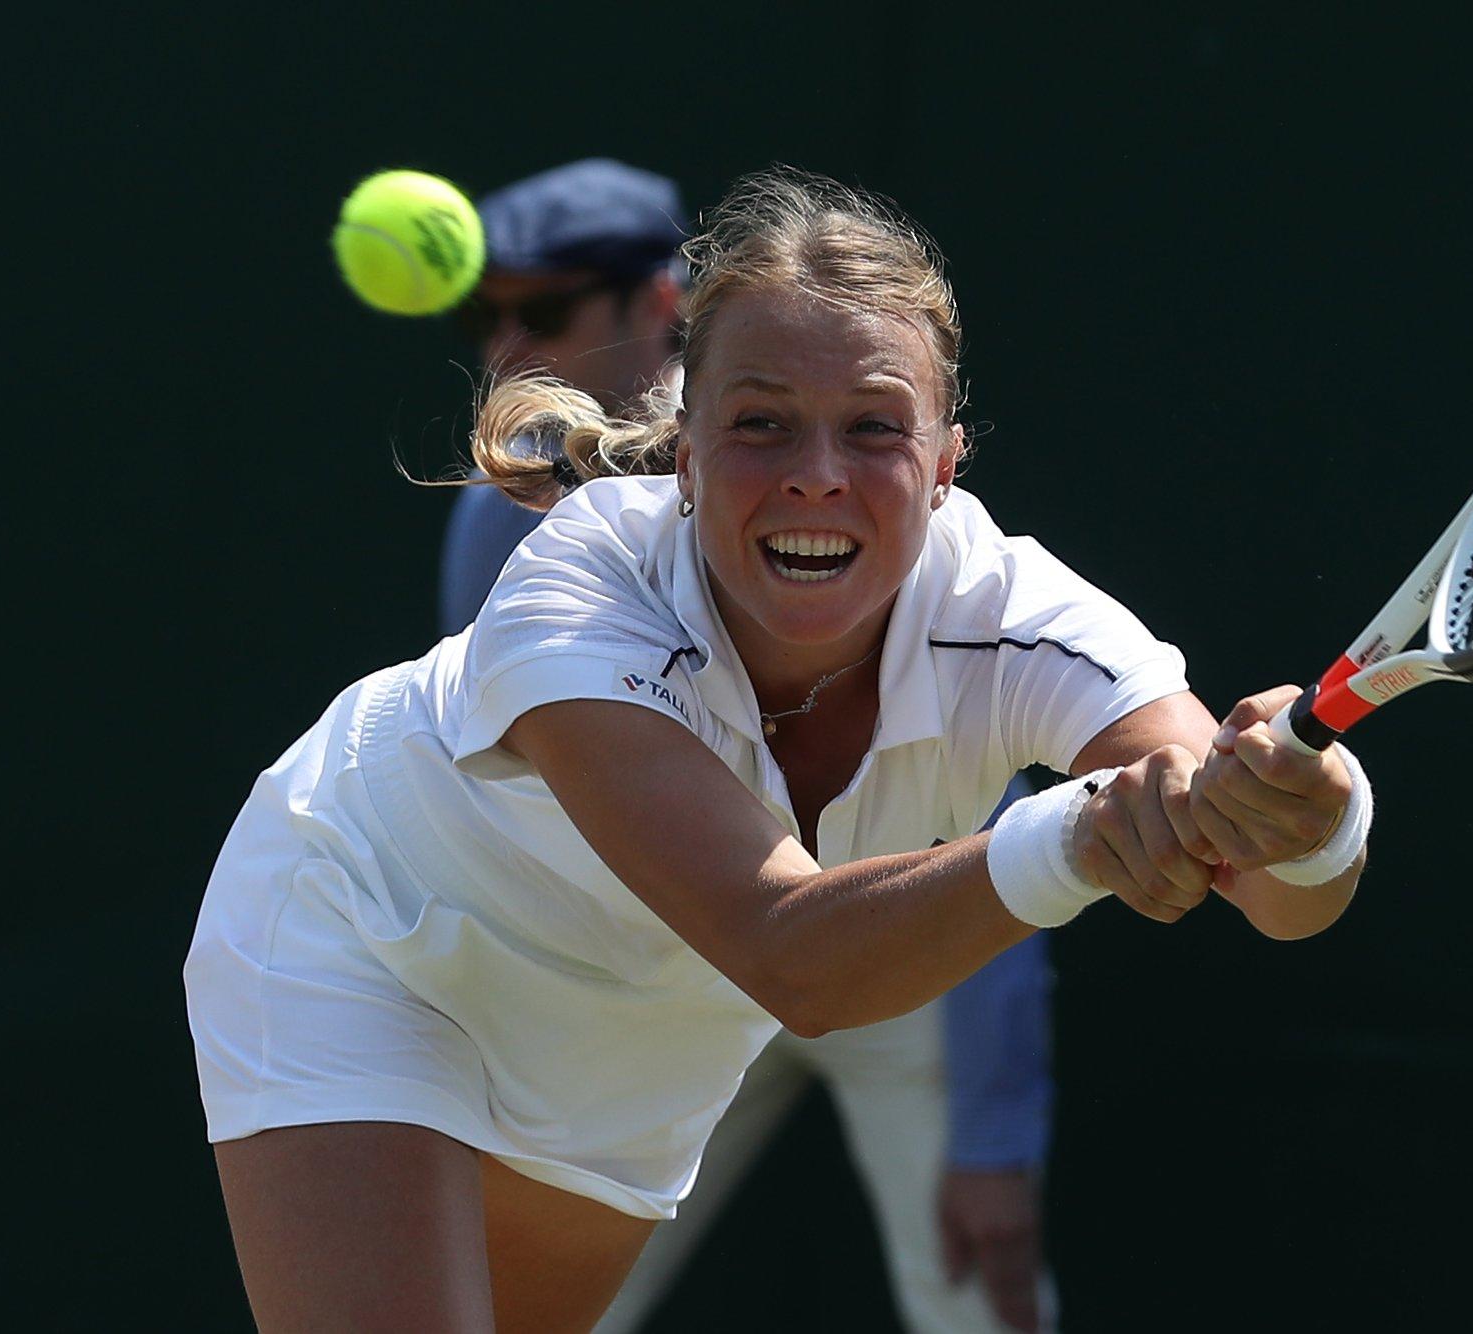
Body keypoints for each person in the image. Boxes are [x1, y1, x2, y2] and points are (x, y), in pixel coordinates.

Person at [184, 168, 1372, 1333]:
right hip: (364, 926)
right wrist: (1079, 834)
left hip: (642, 1044)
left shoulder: (1018, 613)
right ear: (686, 451)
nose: (816, 472)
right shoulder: (577, 582)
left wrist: (1305, 812)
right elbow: (793, 957)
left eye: (872, 428)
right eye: (760, 424)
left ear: (948, 463)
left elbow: (1273, 890)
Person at [437, 158, 1060, 1334]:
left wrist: (990, 1128)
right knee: (531, 1307)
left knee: (978, 1306)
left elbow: (989, 800)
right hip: (669, 962)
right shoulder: (499, 528)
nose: (510, 341)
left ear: (656, 308)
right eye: (486, 311)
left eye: (550, 305)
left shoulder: (888, 518)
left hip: (898, 961)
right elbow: (516, 829)